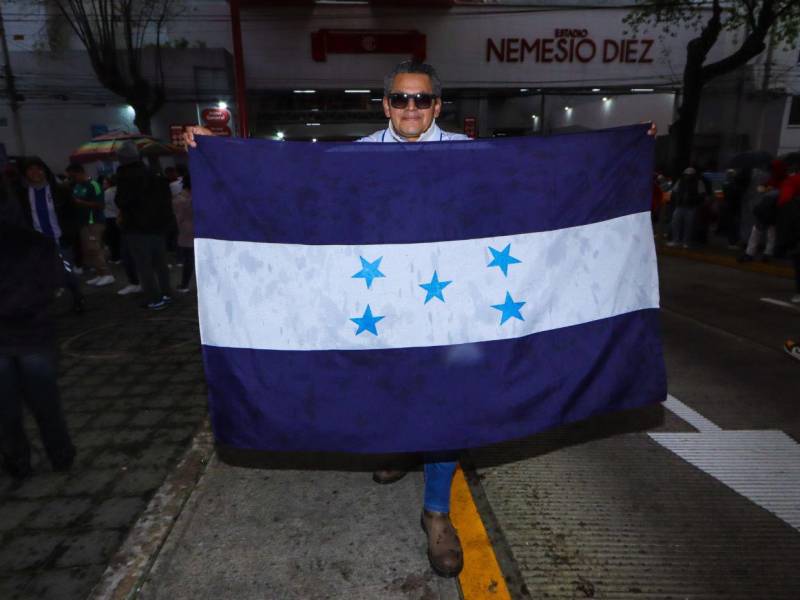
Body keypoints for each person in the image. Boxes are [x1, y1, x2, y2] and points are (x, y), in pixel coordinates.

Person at [184, 60, 658, 579]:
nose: (412, 108)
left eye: (423, 99)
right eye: (402, 99)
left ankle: (436, 511)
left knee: (445, 398)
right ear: (386, 105)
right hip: (384, 305)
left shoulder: (469, 155)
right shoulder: (356, 160)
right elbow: (287, 187)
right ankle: (397, 443)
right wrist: (218, 151)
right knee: (388, 386)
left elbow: (541, 178)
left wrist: (623, 149)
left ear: (438, 105)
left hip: (451, 310)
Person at [0, 178, 76, 479]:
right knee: (46, 405)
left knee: (6, 412)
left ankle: (18, 462)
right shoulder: (37, 242)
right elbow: (60, 281)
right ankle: (61, 457)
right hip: (34, 335)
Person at [16, 158, 85, 314]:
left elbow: (72, 215)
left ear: (45, 170)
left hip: (59, 240)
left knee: (66, 271)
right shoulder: (22, 195)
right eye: (31, 169)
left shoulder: (59, 191)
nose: (35, 173)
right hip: (36, 243)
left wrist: (69, 235)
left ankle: (77, 296)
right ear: (25, 173)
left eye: (38, 168)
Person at [114, 141, 175, 310]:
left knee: (144, 266)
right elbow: (165, 198)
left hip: (136, 227)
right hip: (157, 225)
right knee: (160, 263)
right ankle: (166, 293)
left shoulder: (125, 175)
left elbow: (122, 200)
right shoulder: (152, 172)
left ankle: (155, 299)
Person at [66, 163, 115, 286]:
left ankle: (107, 274)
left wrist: (80, 202)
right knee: (89, 250)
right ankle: (99, 274)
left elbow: (100, 205)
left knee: (94, 248)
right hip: (83, 222)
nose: (72, 179)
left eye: (73, 176)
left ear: (80, 173)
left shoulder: (94, 185)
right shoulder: (77, 186)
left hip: (94, 221)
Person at [738, 159, 786, 263]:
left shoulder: (773, 180)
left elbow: (761, 190)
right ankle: (767, 254)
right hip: (773, 210)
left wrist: (765, 189)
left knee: (758, 231)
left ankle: (750, 253)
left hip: (767, 209)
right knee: (770, 232)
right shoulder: (780, 180)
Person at [667, 167, 708, 248]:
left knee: (689, 225)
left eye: (690, 175)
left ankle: (686, 242)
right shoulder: (680, 181)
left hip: (691, 207)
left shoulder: (698, 183)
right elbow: (674, 192)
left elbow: (702, 195)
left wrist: (692, 200)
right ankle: (676, 240)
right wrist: (677, 199)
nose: (688, 176)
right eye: (686, 175)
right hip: (680, 205)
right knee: (676, 223)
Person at [172, 171, 195, 293]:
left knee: (188, 258)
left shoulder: (180, 199)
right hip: (197, 228)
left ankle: (184, 285)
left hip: (186, 230)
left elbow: (178, 218)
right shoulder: (200, 195)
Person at [102, 174, 122, 263]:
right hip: (119, 216)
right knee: (120, 238)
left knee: (113, 239)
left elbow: (103, 204)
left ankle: (116, 257)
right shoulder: (119, 190)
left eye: (105, 183)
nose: (103, 185)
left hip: (110, 217)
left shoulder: (108, 192)